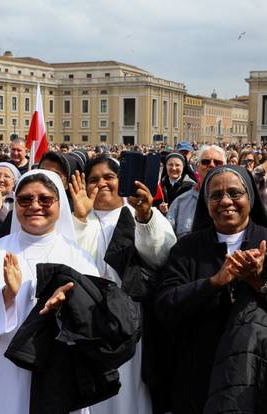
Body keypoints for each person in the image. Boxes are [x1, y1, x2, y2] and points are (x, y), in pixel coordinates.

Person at [156, 165, 267, 413]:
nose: (226, 201)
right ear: (206, 202)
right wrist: (213, 282)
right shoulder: (187, 249)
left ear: (250, 197)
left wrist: (262, 284)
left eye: (235, 193)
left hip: (265, 374)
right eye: (216, 195)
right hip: (202, 375)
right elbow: (165, 306)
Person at [0, 169, 100, 414]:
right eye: (25, 199)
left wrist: (67, 308)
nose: (35, 206)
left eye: (45, 199)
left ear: (59, 204)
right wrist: (6, 296)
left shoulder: (78, 257)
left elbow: (97, 318)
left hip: (60, 371)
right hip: (7, 371)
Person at [69, 156, 176, 413]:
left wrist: (145, 217)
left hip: (129, 321)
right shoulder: (78, 217)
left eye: (109, 177)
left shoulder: (138, 211)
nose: (101, 184)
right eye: (93, 179)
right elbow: (68, 262)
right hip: (87, 322)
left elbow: (160, 255)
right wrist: (79, 219)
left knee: (128, 391)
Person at [167, 145, 226, 238]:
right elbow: (167, 243)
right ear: (197, 167)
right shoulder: (180, 203)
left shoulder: (234, 203)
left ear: (225, 167)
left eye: (217, 162)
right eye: (205, 162)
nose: (211, 165)